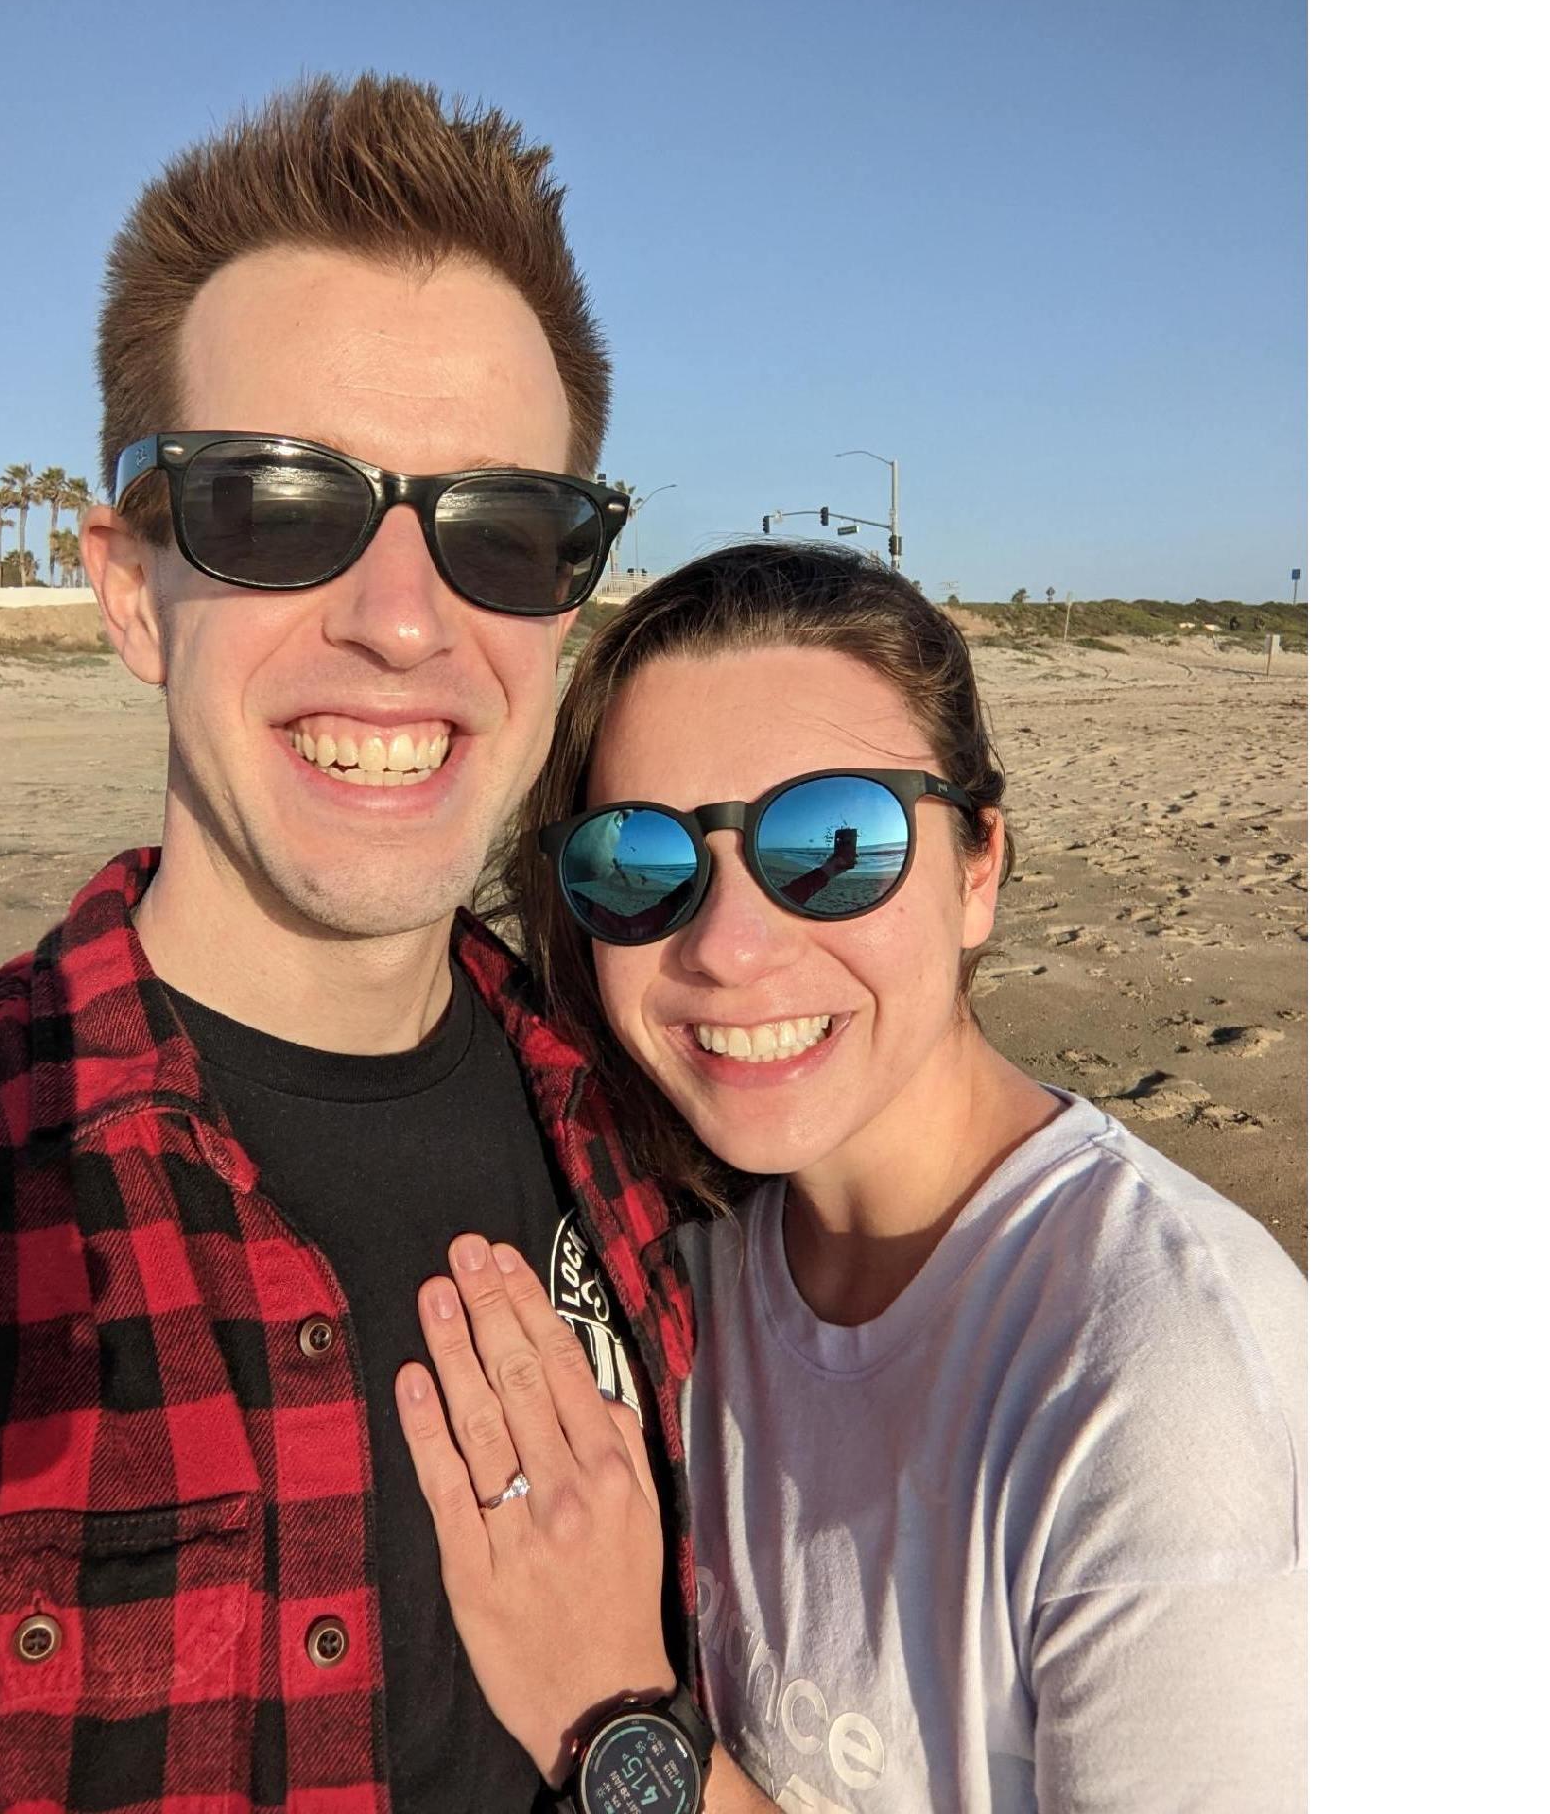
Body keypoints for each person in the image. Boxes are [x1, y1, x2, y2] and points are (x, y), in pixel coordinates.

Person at [0, 74, 700, 1814]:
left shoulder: (674, 1140)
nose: (402, 621)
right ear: (126, 587)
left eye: (501, 531)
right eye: (274, 508)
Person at [396, 540, 1307, 1811]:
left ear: (978, 868)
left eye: (836, 841)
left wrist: (611, 1713)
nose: (727, 947)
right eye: (639, 861)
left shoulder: (1161, 1383)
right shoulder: (668, 1257)